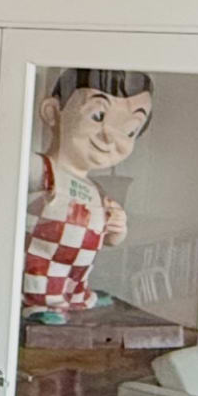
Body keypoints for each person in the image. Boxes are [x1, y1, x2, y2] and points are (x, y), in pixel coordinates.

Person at [21, 69, 152, 321]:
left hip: (77, 270)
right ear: (52, 112)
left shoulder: (96, 189)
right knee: (45, 276)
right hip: (41, 265)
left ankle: (78, 297)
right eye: (98, 116)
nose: (110, 136)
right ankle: (41, 305)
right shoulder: (42, 169)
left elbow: (110, 239)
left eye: (129, 131)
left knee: (76, 277)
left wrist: (117, 228)